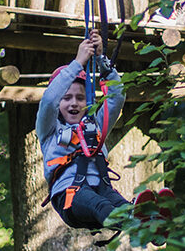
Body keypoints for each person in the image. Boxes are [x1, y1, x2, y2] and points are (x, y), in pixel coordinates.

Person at [38, 35, 129, 229]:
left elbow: (117, 97)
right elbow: (48, 101)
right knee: (102, 205)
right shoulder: (49, 130)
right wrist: (78, 63)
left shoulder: (96, 125)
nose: (73, 103)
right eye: (66, 98)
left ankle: (144, 223)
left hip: (102, 189)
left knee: (121, 206)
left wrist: (101, 60)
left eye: (80, 98)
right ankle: (120, 219)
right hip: (70, 196)